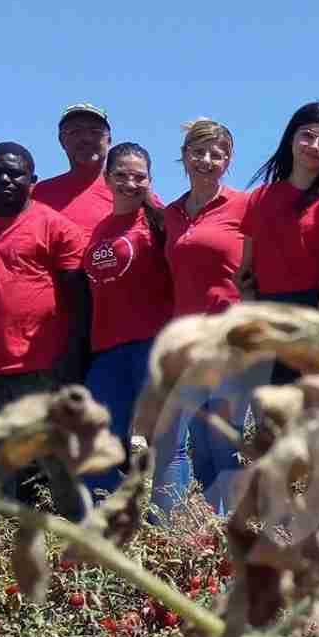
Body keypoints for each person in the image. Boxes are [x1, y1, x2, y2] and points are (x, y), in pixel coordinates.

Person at [0, 142, 90, 511]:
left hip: (42, 368)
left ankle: (76, 546)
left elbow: (79, 301)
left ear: (33, 180)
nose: (6, 179)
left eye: (15, 173)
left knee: (56, 463)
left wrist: (72, 362)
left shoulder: (56, 226)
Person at [158, 118, 250, 514]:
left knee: (223, 441)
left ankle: (231, 531)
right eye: (198, 151)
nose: (207, 160)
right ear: (184, 156)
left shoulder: (244, 206)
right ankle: (199, 536)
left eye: (217, 153)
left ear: (228, 160)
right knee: (193, 443)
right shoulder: (171, 213)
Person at [81, 144, 177, 508]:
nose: (129, 182)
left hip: (152, 344)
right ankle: (111, 519)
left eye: (139, 176)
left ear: (150, 181)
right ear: (106, 178)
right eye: (121, 174)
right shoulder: (100, 229)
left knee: (165, 440)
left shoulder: (160, 222)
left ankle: (169, 530)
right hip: (107, 349)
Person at [239, 101, 319, 311]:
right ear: (291, 136)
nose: (314, 146)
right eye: (308, 135)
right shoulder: (260, 196)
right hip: (266, 315)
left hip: (318, 312)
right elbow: (245, 273)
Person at [32, 103, 119, 232]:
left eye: (95, 132)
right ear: (61, 140)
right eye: (75, 132)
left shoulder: (130, 190)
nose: (86, 139)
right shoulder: (39, 194)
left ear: (109, 140)